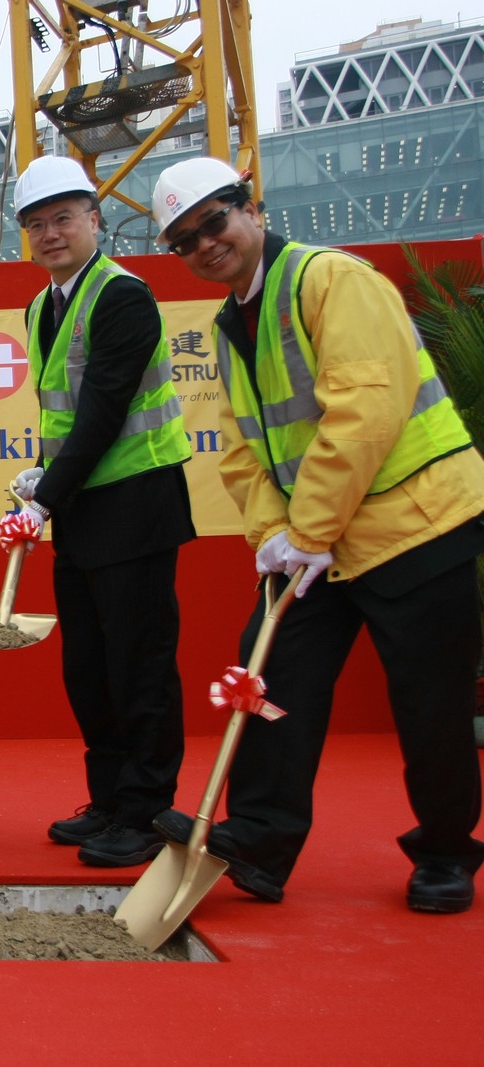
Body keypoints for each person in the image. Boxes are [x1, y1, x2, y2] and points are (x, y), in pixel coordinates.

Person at [150, 156, 484, 912]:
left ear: (251, 208)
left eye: (216, 220)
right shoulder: (230, 322)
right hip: (317, 546)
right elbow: (245, 447)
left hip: (417, 527)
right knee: (268, 681)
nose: (207, 243)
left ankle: (444, 853)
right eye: (185, 239)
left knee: (431, 705)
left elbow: (364, 415)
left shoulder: (332, 280)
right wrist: (275, 535)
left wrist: (309, 529)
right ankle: (261, 842)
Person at [6, 156, 196, 868]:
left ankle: (147, 810)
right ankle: (111, 797)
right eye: (35, 223)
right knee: (89, 667)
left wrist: (46, 495)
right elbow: (66, 414)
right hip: (85, 508)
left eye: (62, 217)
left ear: (95, 219)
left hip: (138, 503)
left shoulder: (123, 296)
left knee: (139, 665)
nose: (49, 233)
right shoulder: (43, 304)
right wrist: (45, 475)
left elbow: (107, 406)